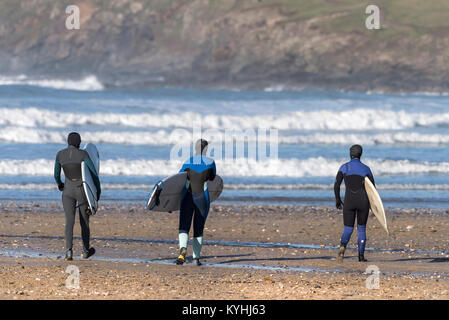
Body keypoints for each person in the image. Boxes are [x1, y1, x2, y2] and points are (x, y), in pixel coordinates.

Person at [54, 132, 101, 261]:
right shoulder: (83, 154)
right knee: (84, 221)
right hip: (81, 191)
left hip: (67, 192)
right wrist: (97, 191)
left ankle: (68, 252)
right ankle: (86, 251)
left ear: (68, 142)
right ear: (79, 143)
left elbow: (56, 175)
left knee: (69, 221)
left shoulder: (60, 154)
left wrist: (60, 185)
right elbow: (94, 174)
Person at [176, 139, 216, 266]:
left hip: (187, 197)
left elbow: (178, 178)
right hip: (202, 198)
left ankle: (183, 249)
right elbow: (213, 177)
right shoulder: (211, 162)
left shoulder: (188, 161)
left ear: (195, 148)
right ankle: (196, 258)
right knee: (198, 228)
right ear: (206, 150)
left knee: (184, 226)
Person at [334, 144, 375, 262]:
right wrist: (373, 206)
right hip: (363, 202)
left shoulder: (344, 167)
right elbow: (373, 189)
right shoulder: (366, 169)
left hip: (349, 201)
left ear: (350, 154)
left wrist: (338, 200)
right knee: (361, 229)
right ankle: (361, 256)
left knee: (348, 229)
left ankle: (342, 246)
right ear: (360, 154)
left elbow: (336, 185)